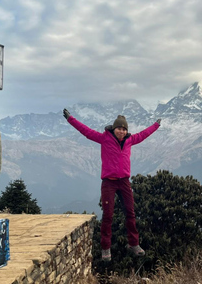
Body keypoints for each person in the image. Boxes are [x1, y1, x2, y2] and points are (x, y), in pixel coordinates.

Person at [63, 108, 161, 262]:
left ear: (126, 130)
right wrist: (71, 119)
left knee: (130, 212)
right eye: (119, 128)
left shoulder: (130, 140)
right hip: (109, 182)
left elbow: (143, 135)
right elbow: (86, 131)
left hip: (124, 182)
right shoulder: (104, 138)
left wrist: (156, 125)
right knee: (108, 215)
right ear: (113, 129)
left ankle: (133, 244)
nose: (121, 131)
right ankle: (105, 248)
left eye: (123, 129)